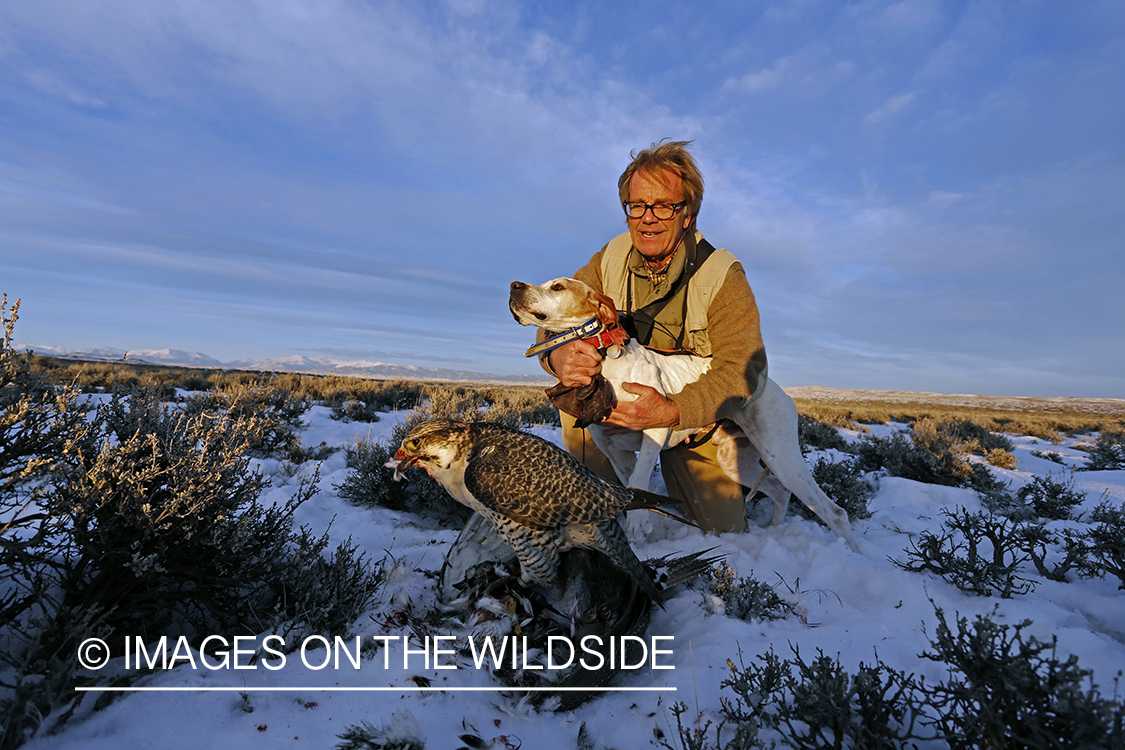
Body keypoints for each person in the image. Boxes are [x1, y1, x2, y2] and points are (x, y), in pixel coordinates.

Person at [538, 140, 768, 533]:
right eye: (637, 206)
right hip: (619, 417)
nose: (647, 218)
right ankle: (601, 500)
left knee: (722, 530)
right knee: (574, 396)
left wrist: (675, 411)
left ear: (687, 215)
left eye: (663, 205)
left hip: (692, 421)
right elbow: (557, 317)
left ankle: (744, 479)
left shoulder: (722, 277)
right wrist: (557, 356)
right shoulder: (608, 260)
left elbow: (745, 371)